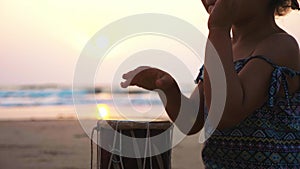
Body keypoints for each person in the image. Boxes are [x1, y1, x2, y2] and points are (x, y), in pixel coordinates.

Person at [121, 0, 300, 168]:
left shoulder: (281, 46)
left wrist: (218, 29)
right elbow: (191, 120)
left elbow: (224, 114)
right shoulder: (223, 47)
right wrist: (168, 89)